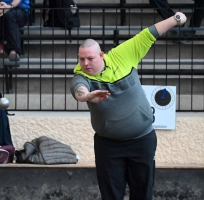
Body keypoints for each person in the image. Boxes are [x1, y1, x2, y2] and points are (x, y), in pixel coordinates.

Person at [70, 12, 187, 200]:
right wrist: (87, 96)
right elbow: (78, 90)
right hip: (108, 145)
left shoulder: (122, 55)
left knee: (142, 193)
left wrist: (176, 19)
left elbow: (149, 33)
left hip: (142, 140)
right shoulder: (81, 75)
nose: (85, 63)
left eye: (90, 58)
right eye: (81, 59)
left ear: (101, 55)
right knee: (111, 196)